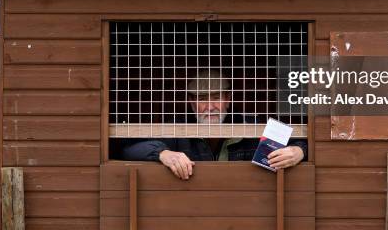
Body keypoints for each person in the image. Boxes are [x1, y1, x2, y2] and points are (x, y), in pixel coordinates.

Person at [119, 69, 307, 180]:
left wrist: (298, 152)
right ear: (191, 102)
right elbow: (128, 148)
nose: (210, 107)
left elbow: (306, 141)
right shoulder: (177, 127)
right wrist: (162, 153)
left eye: (216, 97)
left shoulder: (251, 124)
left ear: (228, 99)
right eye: (202, 99)